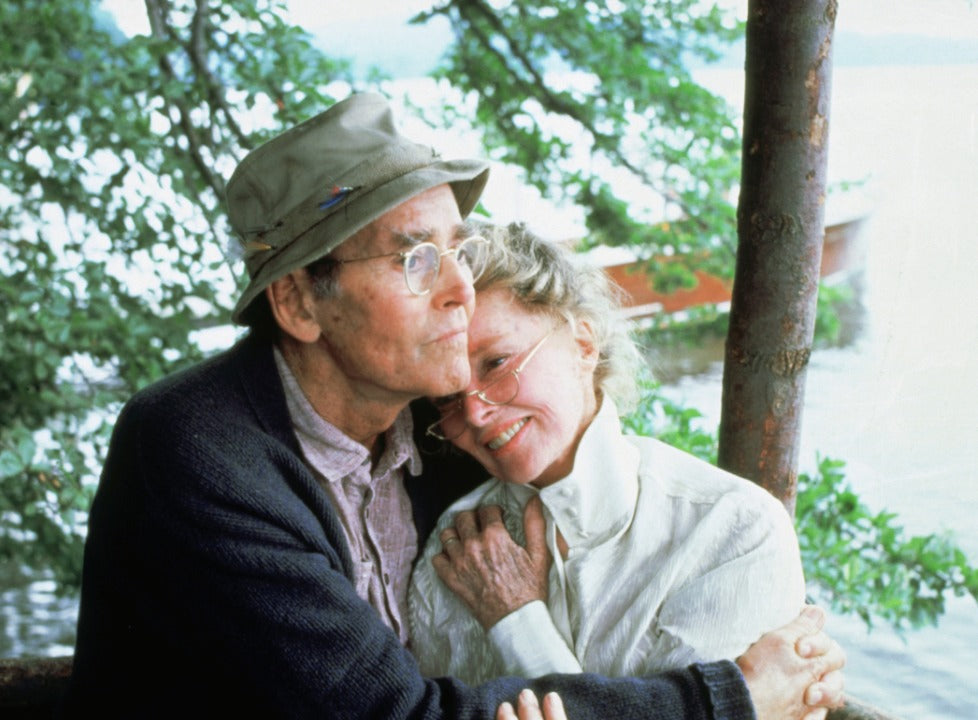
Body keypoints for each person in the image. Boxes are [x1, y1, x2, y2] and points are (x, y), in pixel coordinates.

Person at [62, 92, 843, 719]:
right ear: (299, 302)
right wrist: (727, 698)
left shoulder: (435, 431)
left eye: (457, 248)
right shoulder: (196, 450)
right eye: (415, 258)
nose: (459, 288)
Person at [409, 222, 807, 686]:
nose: (475, 412)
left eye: (496, 363)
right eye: (449, 395)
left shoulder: (731, 530)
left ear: (583, 343)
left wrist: (518, 622)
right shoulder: (455, 544)